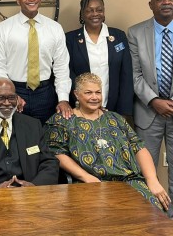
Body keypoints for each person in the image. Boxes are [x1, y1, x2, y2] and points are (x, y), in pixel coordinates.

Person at [46, 73, 170, 211]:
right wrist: (86, 177)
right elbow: (57, 153)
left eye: (98, 92)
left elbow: (139, 147)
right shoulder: (63, 121)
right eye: (88, 92)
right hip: (92, 183)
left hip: (130, 181)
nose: (94, 97)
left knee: (154, 212)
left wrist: (152, 180)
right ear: (76, 94)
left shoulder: (115, 118)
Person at [0, 0, 72, 124]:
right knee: (14, 140)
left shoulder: (55, 28)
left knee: (45, 140)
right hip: (15, 92)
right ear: (18, 0)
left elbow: (61, 67)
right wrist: (10, 96)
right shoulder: (3, 28)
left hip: (45, 93)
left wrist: (63, 99)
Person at [127, 0, 173, 200]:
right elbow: (134, 74)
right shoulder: (136, 32)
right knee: (146, 172)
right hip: (148, 111)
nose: (166, 2)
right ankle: (151, 221)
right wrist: (154, 100)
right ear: (151, 5)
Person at [65, 0, 133, 115]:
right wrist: (82, 100)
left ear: (104, 11)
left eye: (99, 10)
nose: (95, 14)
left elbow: (126, 74)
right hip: (81, 108)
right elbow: (67, 73)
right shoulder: (70, 39)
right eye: (89, 10)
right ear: (82, 13)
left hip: (114, 107)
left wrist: (125, 110)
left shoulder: (118, 36)